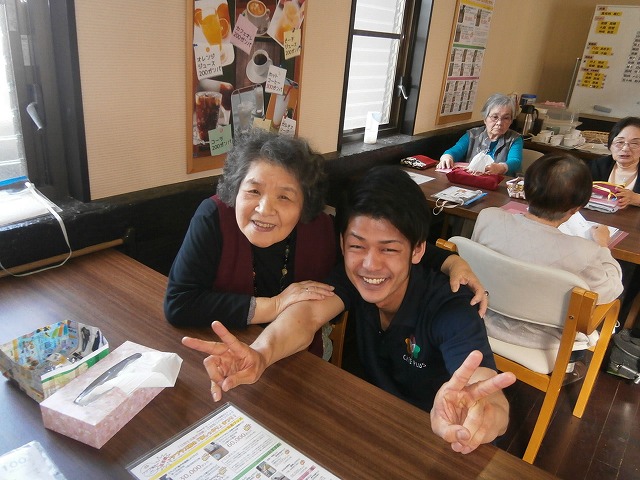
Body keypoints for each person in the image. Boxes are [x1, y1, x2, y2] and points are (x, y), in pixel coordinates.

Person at [182, 166, 515, 454]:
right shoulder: (351, 278)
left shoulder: (450, 306)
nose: (370, 264)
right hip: (370, 431)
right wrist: (260, 354)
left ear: (417, 250)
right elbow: (306, 316)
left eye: (388, 249)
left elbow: (484, 385)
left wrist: (484, 411)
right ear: (342, 245)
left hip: (441, 442)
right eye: (357, 246)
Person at [165, 130, 488, 360]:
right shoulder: (214, 217)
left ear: (304, 205)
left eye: (284, 197)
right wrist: (274, 306)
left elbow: (378, 244)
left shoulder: (319, 229)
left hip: (297, 354)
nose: (264, 209)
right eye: (253, 191)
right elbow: (180, 303)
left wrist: (449, 260)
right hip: (217, 347)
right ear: (236, 188)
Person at [471, 153, 623, 359]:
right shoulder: (586, 252)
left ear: (525, 190)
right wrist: (603, 245)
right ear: (576, 209)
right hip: (544, 343)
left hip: (479, 319)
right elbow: (612, 289)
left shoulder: (488, 218)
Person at [437, 93, 523, 176]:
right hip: (472, 180)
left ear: (511, 121)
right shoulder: (472, 135)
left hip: (500, 183)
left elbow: (515, 161)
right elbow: (454, 151)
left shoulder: (515, 139)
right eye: (495, 117)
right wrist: (447, 157)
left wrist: (501, 167)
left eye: (506, 118)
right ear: (485, 118)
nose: (499, 123)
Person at [589, 116, 640, 209]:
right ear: (610, 145)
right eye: (620, 142)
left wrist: (635, 198)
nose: (625, 148)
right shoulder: (598, 165)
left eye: (634, 143)